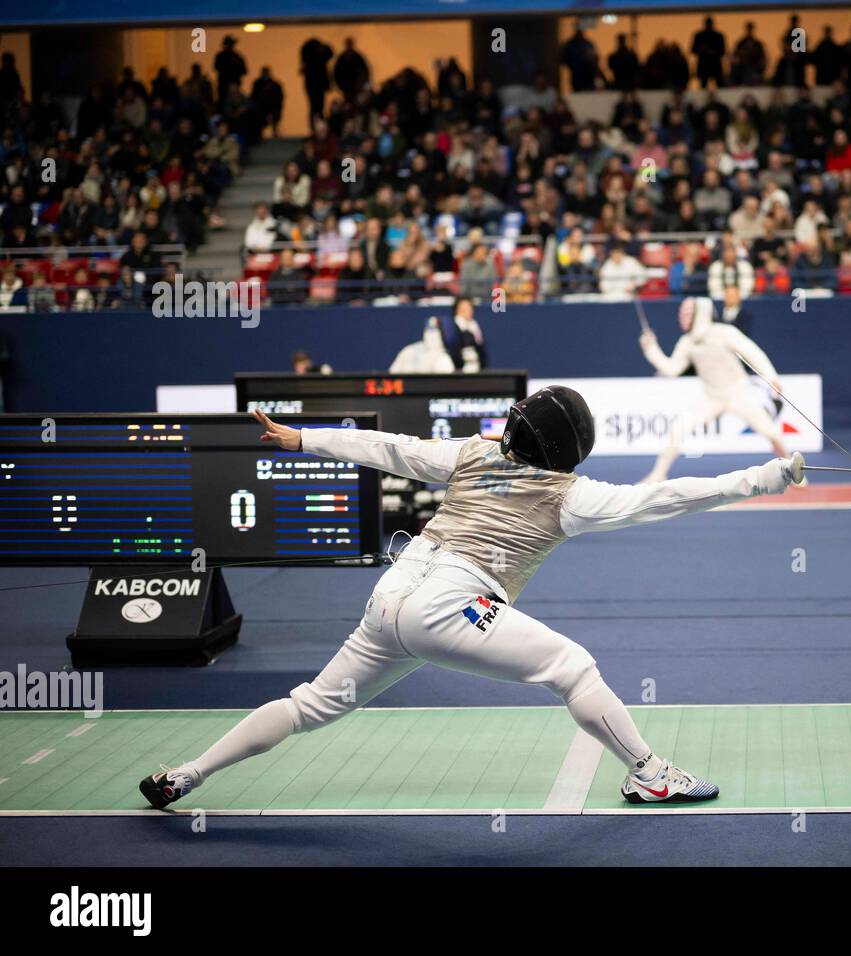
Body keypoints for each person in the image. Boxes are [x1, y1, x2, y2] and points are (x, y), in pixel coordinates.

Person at [140, 393, 806, 810]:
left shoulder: (471, 453)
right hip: (447, 606)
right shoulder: (571, 496)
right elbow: (667, 497)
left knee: (310, 702)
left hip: (392, 593)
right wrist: (765, 477)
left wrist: (302, 438)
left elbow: (389, 449)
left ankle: (187, 776)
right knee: (572, 668)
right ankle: (650, 775)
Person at [638, 297, 793, 484]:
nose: (682, 317)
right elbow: (672, 369)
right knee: (679, 428)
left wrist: (771, 376)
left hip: (738, 392)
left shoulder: (724, 332)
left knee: (770, 432)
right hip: (711, 397)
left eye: (687, 313)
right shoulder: (687, 342)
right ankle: (657, 475)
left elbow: (752, 352)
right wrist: (651, 349)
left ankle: (792, 471)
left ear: (701, 313)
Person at [389, 315, 456, 374]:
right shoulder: (408, 351)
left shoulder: (407, 349)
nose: (431, 335)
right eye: (429, 330)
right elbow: (391, 376)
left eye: (434, 330)